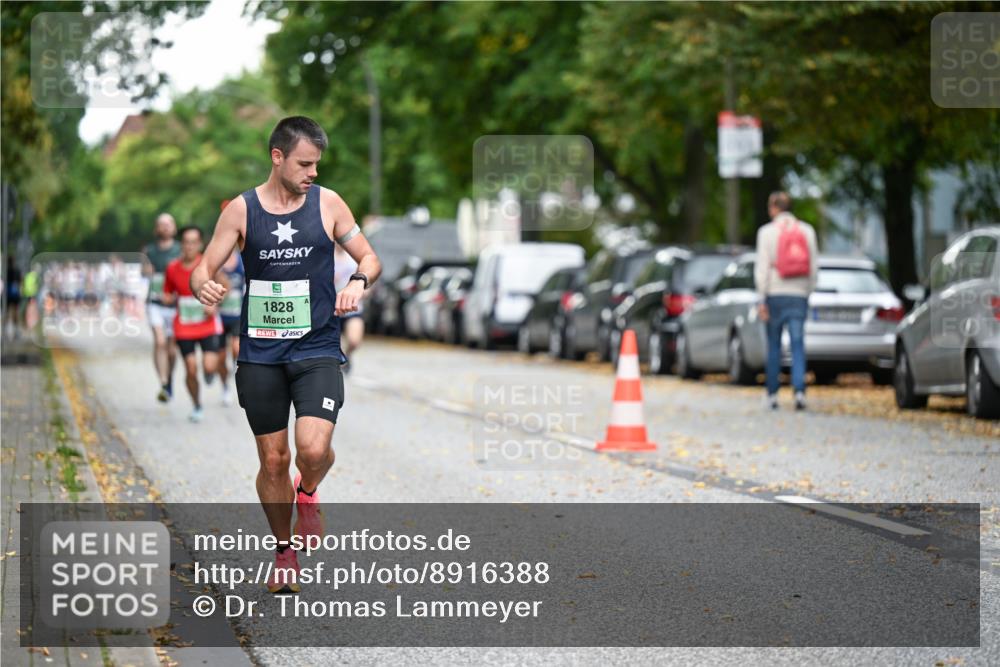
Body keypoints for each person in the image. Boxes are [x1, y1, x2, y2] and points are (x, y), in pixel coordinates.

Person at [190, 116, 381, 593]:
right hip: (260, 354)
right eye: (304, 163)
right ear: (277, 157)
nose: (312, 172)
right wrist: (204, 286)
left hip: (316, 346)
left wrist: (358, 282)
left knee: (312, 450)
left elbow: (369, 258)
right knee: (274, 460)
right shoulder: (241, 210)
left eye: (316, 163)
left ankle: (309, 491)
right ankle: (283, 554)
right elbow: (202, 268)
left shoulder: (328, 203)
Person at [754, 191, 819, 411]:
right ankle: (799, 391)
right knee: (797, 344)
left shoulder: (766, 232)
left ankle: (772, 393)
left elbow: (762, 266)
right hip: (799, 294)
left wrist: (761, 297)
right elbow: (814, 267)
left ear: (774, 208)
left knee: (774, 345)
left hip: (775, 293)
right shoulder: (807, 231)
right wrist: (807, 291)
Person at [162, 226, 223, 423]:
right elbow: (167, 292)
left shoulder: (208, 266)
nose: (189, 246)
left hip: (206, 325)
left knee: (209, 365)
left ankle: (210, 373)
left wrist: (214, 304)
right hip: (184, 325)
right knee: (190, 367)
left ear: (200, 244)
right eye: (186, 242)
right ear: (182, 244)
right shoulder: (172, 268)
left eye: (193, 242)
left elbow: (225, 286)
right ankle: (197, 404)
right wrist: (167, 298)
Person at [142, 214, 181, 402]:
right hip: (154, 302)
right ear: (156, 229)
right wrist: (146, 270)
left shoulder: (181, 250)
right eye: (161, 225)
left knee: (172, 350)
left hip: (174, 304)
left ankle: (169, 377)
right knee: (159, 342)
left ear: (174, 228)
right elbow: (142, 273)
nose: (164, 228)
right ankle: (164, 382)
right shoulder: (148, 251)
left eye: (168, 224)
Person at [216, 247, 245, 406]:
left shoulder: (241, 260)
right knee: (220, 358)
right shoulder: (217, 261)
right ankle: (225, 387)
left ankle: (237, 370)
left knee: (236, 348)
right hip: (219, 316)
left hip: (237, 314)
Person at [333, 241, 366, 373]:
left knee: (354, 340)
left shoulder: (354, 257)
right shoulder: (327, 256)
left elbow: (366, 276)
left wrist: (364, 289)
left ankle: (348, 355)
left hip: (351, 307)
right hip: (331, 308)